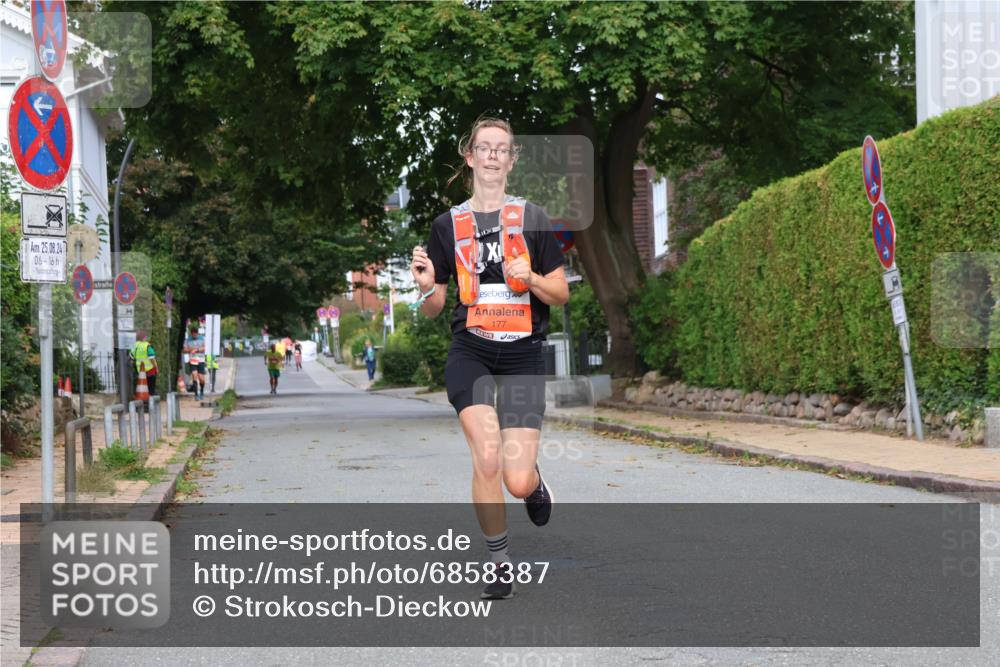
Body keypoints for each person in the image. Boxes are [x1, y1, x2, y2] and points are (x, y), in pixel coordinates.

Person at [410, 117, 567, 600]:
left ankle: (535, 484)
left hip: (523, 353)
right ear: (470, 156)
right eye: (485, 147)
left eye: (503, 149)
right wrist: (424, 288)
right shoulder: (447, 225)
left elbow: (560, 293)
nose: (494, 156)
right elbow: (438, 305)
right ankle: (499, 563)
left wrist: (531, 278)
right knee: (487, 455)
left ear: (512, 160)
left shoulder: (533, 218)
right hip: (470, 350)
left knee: (515, 480)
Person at [131, 331, 158, 398]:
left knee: (142, 387)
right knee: (150, 388)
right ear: (144, 338)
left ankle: (143, 400)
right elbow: (152, 358)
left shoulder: (135, 346)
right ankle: (150, 400)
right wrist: (156, 367)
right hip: (150, 370)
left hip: (140, 371)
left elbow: (131, 357)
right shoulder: (147, 346)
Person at [183, 324, 207, 400]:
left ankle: (202, 392)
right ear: (191, 333)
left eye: (195, 334)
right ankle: (196, 395)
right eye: (193, 334)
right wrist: (191, 350)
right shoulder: (188, 340)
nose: (194, 335)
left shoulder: (202, 338)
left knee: (201, 379)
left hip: (201, 360)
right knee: (194, 375)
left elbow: (205, 348)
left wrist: (197, 350)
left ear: (197, 333)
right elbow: (184, 350)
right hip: (193, 361)